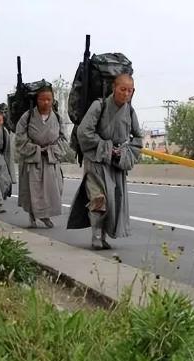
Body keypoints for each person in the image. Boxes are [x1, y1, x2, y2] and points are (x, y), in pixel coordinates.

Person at [67, 73, 143, 250]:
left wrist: (123, 153)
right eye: (122, 89)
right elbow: (84, 132)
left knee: (112, 201)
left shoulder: (130, 111)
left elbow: (138, 140)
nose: (125, 94)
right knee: (99, 200)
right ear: (113, 88)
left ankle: (102, 236)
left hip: (116, 164)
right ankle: (95, 236)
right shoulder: (99, 106)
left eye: (129, 91)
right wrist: (106, 147)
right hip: (96, 161)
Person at [15, 85, 67, 228]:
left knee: (53, 189)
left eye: (48, 99)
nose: (45, 103)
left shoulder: (57, 117)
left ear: (52, 100)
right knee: (33, 190)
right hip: (33, 159)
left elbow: (63, 138)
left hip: (50, 159)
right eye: (42, 99)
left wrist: (51, 150)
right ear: (36, 100)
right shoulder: (28, 116)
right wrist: (36, 149)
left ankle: (46, 216)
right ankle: (32, 216)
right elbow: (20, 138)